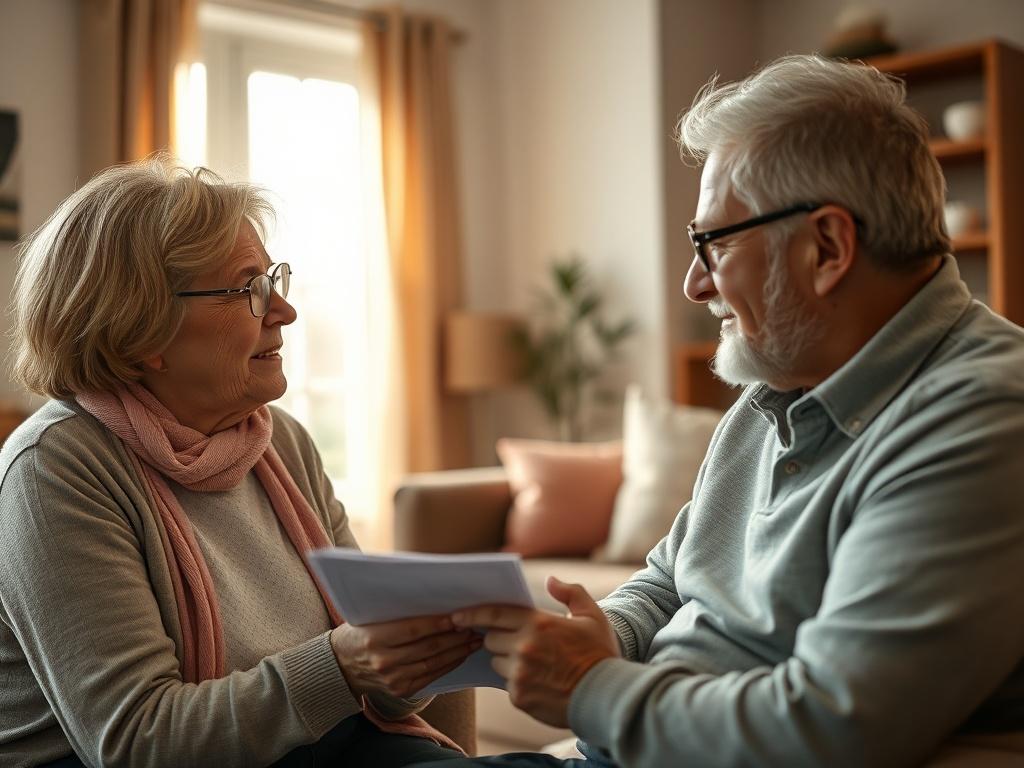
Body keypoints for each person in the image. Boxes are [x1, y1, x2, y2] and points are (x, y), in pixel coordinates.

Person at [412, 54, 1024, 767]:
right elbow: (675, 573)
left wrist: (589, 688)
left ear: (826, 247)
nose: (693, 284)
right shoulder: (778, 388)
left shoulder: (982, 419)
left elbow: (832, 726)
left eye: (713, 244)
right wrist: (606, 633)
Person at [0, 157, 478, 768]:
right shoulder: (57, 470)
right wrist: (345, 662)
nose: (284, 312)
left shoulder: (282, 444)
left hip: (330, 747)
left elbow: (375, 678)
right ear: (140, 331)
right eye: (249, 289)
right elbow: (136, 742)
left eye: (274, 279)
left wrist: (412, 651)